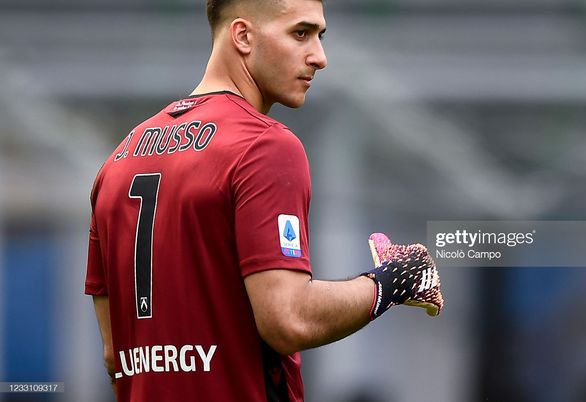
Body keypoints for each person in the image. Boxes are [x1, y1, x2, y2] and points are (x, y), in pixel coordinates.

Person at [84, 0, 444, 401]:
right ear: (242, 35)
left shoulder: (117, 162)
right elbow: (288, 319)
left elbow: (115, 355)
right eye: (301, 33)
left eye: (320, 36)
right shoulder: (263, 145)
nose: (320, 57)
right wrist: (391, 282)